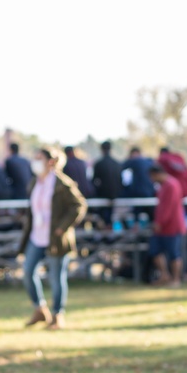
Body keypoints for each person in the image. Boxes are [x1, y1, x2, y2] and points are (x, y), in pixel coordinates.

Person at [18, 147, 87, 330]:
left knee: (56, 277)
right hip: (36, 235)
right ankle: (39, 308)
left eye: (39, 158)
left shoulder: (62, 183)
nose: (36, 161)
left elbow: (78, 206)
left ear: (51, 161)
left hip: (56, 238)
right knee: (28, 272)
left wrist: (61, 228)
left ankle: (58, 314)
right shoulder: (35, 183)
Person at [148, 162, 187, 287]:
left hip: (172, 226)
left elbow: (169, 207)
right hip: (162, 227)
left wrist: (160, 222)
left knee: (174, 253)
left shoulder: (171, 185)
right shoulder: (164, 185)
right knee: (155, 250)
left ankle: (176, 279)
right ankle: (164, 275)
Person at [91, 140, 123, 225]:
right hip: (115, 195)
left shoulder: (99, 163)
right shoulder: (117, 163)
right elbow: (120, 181)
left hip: (103, 195)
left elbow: (94, 181)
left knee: (104, 218)